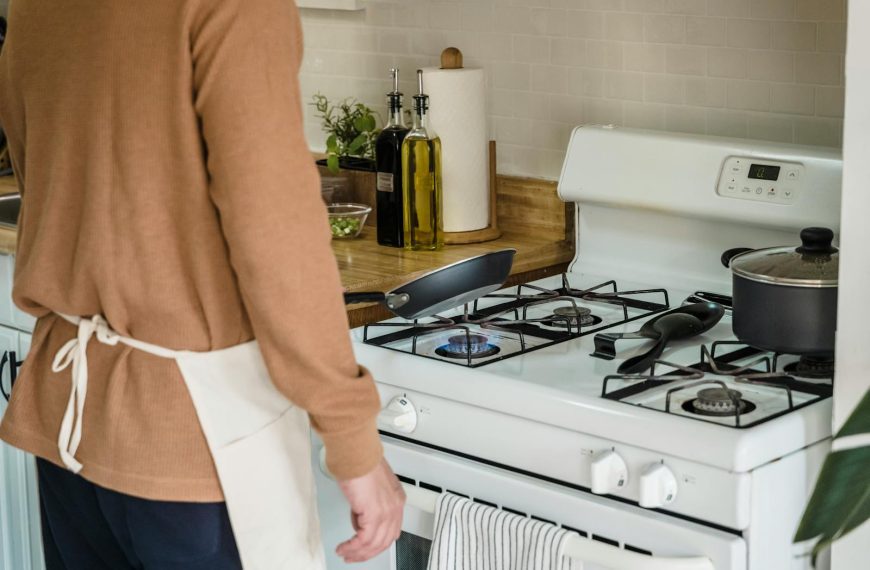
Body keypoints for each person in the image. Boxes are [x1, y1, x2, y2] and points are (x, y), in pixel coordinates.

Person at [0, 0, 405, 568]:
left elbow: (35, 162)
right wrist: (353, 442)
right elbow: (274, 231)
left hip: (68, 431)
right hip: (198, 445)